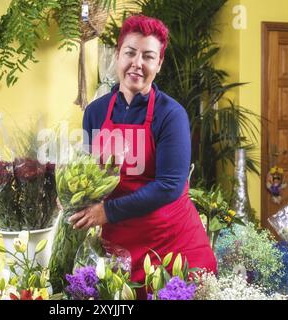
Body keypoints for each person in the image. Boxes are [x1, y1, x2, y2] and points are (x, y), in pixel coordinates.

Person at [68, 15, 217, 298]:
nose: (137, 63)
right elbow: (86, 173)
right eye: (130, 52)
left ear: (158, 65)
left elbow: (169, 186)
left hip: (172, 243)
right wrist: (71, 197)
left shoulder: (171, 115)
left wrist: (106, 212)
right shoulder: (95, 112)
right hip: (121, 245)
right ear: (117, 56)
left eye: (148, 56)